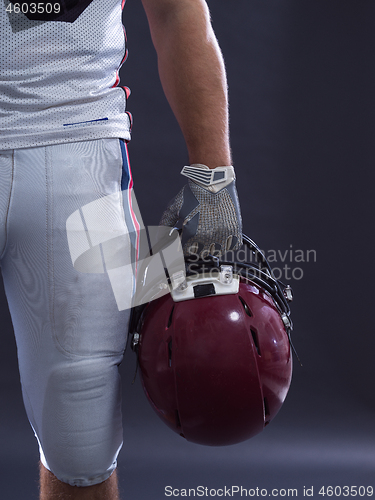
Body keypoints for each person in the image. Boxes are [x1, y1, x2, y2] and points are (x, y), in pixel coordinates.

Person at [0, 0, 242, 498]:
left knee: (81, 442)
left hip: (75, 147)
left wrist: (214, 177)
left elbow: (175, 9)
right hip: (77, 146)